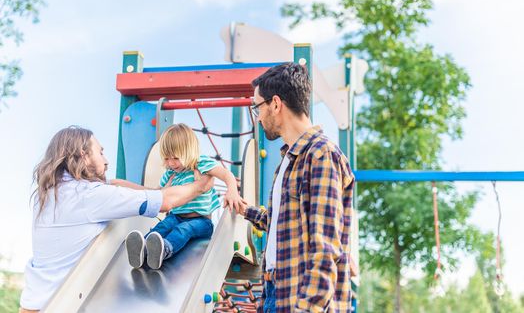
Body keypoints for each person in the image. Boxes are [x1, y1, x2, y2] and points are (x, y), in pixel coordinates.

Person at [19, 126, 213, 313]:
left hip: (33, 303)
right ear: (84, 155)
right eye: (100, 152)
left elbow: (112, 185)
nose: (106, 161)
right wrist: (200, 186)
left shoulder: (46, 193)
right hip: (66, 303)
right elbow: (167, 201)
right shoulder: (89, 196)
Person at [240, 62, 355, 312]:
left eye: (257, 107)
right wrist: (245, 210)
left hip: (299, 300)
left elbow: (325, 247)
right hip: (276, 292)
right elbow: (285, 225)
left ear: (276, 104)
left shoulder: (320, 155)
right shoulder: (289, 159)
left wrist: (307, 308)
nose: (257, 117)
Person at [123, 123, 245, 270]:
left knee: (183, 229)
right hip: (176, 216)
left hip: (201, 221)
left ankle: (165, 250)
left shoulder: (200, 163)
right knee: (163, 225)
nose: (171, 163)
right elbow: (159, 192)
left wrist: (232, 190)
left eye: (175, 158)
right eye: (167, 158)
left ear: (189, 151)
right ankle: (142, 247)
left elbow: (226, 174)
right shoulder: (171, 173)